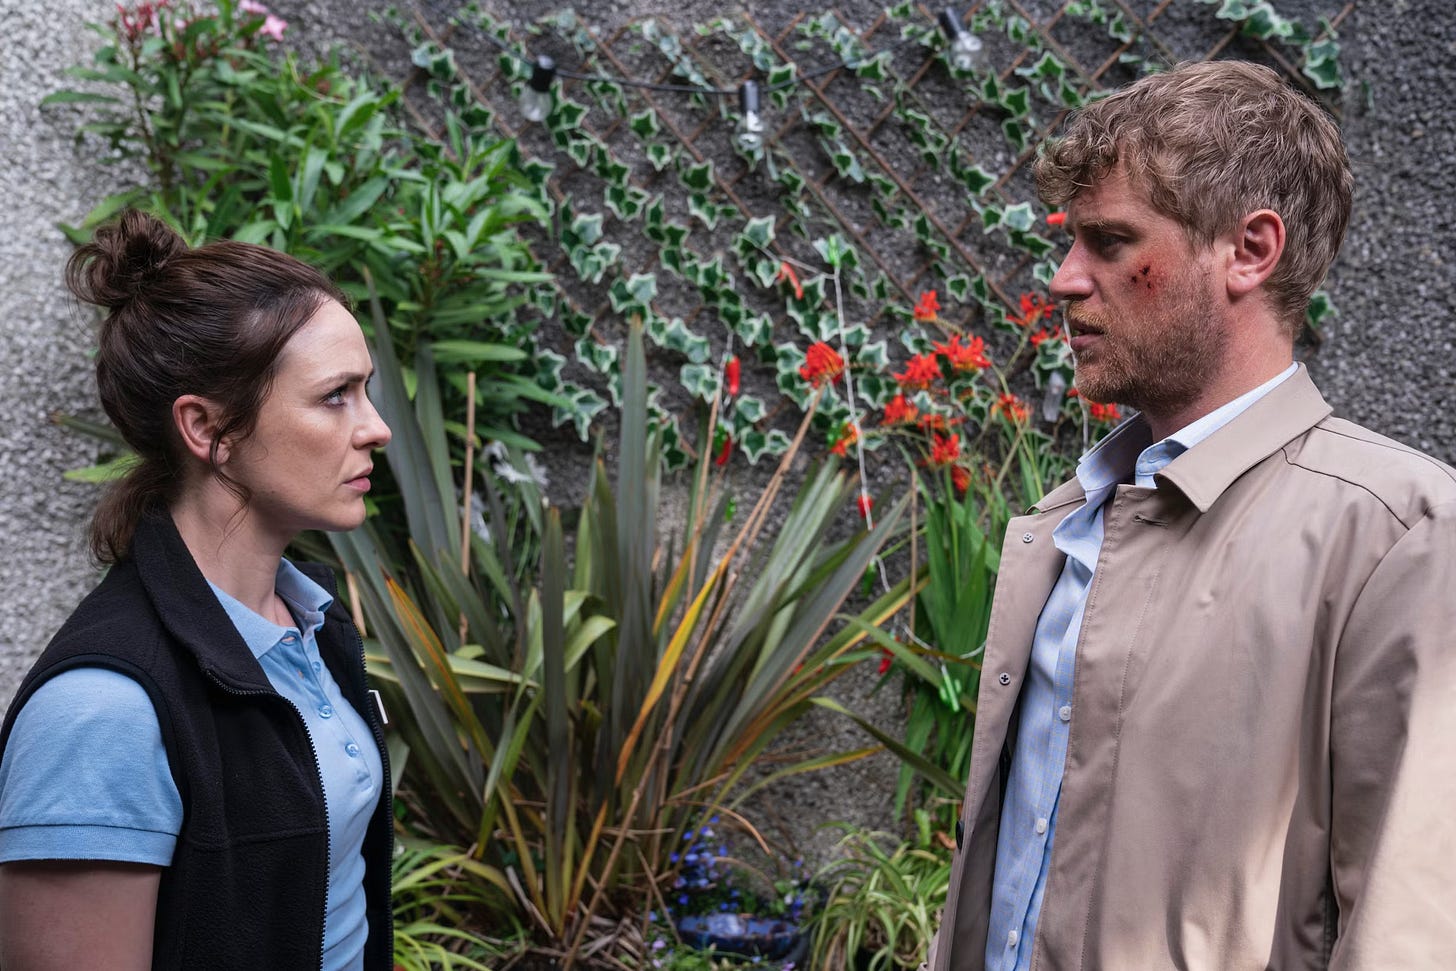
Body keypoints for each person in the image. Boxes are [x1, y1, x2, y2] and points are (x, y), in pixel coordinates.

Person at [926, 60, 1456, 970]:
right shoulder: (1076, 517)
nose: (1063, 279)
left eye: (1109, 240)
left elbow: (1410, 928)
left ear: (1250, 250)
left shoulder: (1399, 534)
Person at [0, 210, 395, 970]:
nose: (376, 427)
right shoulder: (100, 715)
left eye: (366, 390)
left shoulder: (309, 621)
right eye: (335, 395)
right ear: (209, 429)